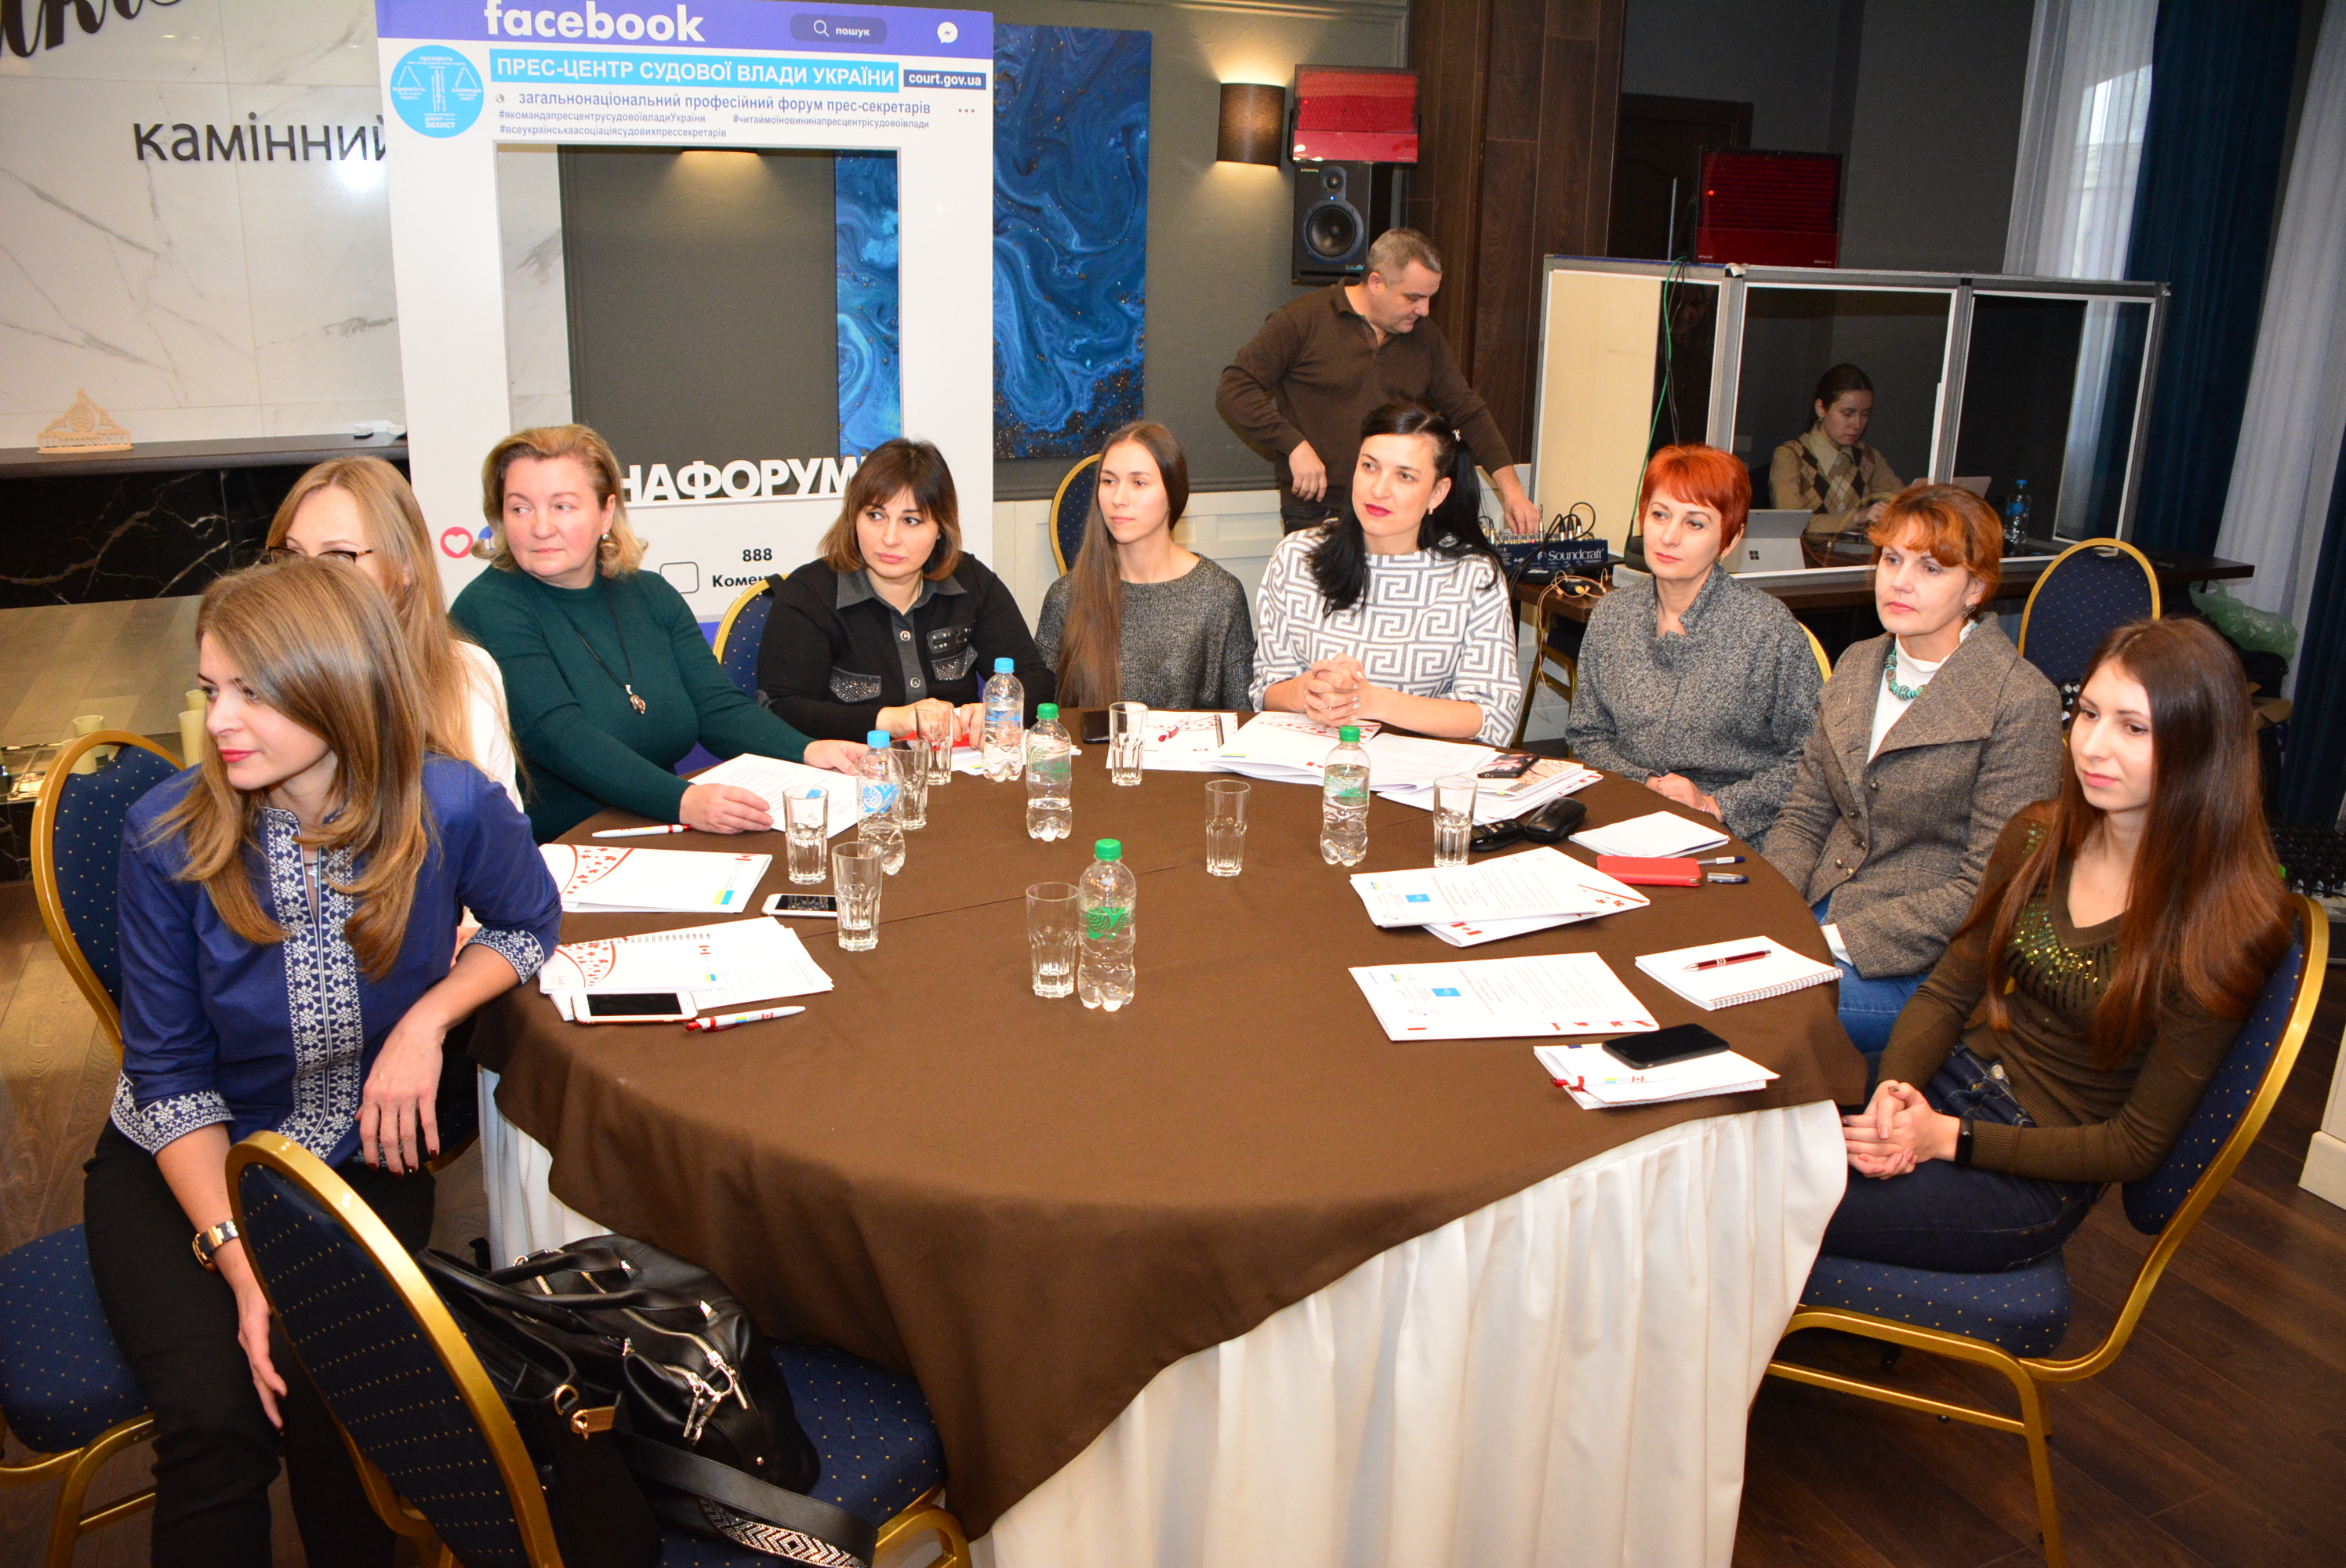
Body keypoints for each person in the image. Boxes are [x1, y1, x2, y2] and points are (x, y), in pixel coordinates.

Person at [85, 557, 564, 1565]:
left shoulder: (449, 803)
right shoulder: (166, 835)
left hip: (357, 1155)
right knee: (215, 1416)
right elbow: (169, 1079)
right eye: (211, 688)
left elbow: (527, 922)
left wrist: (428, 1018)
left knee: (336, 1397)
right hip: (182, 1160)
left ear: (339, 683)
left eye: (252, 691)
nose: (220, 719)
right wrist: (242, 1264)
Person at [1826, 616, 2293, 1272]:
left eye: (2134, 728)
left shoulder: (2224, 927)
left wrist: (1948, 1139)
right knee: (1739, 1137)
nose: (2092, 746)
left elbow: (2134, 1146)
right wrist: (1897, 1090)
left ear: (2200, 747)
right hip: (1946, 1087)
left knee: (1771, 1198)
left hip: (2032, 1170)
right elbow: (1946, 992)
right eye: (2089, 714)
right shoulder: (2036, 838)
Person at [1765, 484, 2065, 1058]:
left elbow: (1991, 888)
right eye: (1892, 559)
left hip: (1926, 968)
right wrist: (1772, 914)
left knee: (1750, 1008)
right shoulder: (1859, 662)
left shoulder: (2020, 700)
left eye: (1931, 568)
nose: (1899, 582)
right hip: (1819, 912)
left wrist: (1828, 940)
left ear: (1975, 588)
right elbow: (1805, 815)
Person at [450, 424, 863, 842]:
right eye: (520, 508)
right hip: (559, 847)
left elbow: (717, 709)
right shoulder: (488, 607)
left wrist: (807, 750)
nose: (541, 527)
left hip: (662, 830)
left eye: (562, 506)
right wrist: (685, 801)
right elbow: (561, 739)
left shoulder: (649, 594)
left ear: (606, 513)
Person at [1567, 445, 1821, 845]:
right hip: (1624, 815)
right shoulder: (1612, 615)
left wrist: (1715, 804)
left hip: (1734, 831)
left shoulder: (1768, 629)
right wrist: (1643, 783)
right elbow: (1586, 735)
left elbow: (1812, 758)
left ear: (1730, 540)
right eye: (1659, 515)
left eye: (1695, 524)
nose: (1669, 537)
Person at [1217, 227, 1540, 537]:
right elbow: (1235, 387)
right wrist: (1293, 445)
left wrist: (1513, 492)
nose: (1424, 310)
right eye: (1413, 298)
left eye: (1429, 298)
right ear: (1376, 282)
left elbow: (1469, 413)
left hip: (1395, 508)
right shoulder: (1301, 320)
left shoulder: (1425, 338)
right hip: (1317, 510)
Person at [1251, 401, 1520, 744]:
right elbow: (1266, 689)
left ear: (1438, 493)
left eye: (1405, 476)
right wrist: (1306, 691)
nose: (1378, 490)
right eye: (1369, 467)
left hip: (1420, 766)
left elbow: (1494, 716)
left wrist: (1372, 701)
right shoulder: (1296, 556)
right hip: (1311, 757)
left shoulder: (1473, 576)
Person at [757, 436, 1055, 741]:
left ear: (941, 528)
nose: (889, 538)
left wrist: (1001, 709)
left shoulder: (971, 581)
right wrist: (891, 720)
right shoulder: (809, 593)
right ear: (853, 517)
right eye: (875, 516)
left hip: (955, 764)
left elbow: (1036, 680)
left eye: (911, 521)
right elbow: (780, 709)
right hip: (849, 765)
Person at [264, 455, 521, 810]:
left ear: (405, 566)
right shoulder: (261, 684)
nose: (305, 579)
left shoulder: (468, 673)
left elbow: (503, 832)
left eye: (337, 557)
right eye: (294, 555)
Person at [1034, 421, 1255, 710]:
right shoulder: (1067, 595)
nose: (1118, 499)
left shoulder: (1219, 595)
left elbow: (1241, 719)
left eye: (1139, 483)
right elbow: (1041, 716)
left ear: (1172, 493)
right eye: (1109, 481)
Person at [1770, 363, 1905, 549]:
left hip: (1856, 559)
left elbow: (1901, 503)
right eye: (1847, 414)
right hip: (1805, 561)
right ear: (1821, 408)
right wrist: (1857, 517)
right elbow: (1793, 525)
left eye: (1865, 415)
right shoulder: (1791, 456)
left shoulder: (1868, 457)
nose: (1857, 424)